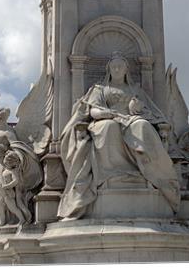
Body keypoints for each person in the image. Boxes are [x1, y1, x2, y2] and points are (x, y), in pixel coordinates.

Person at [57, 53, 180, 219]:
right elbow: (92, 110)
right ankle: (111, 174)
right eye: (113, 67)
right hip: (106, 119)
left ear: (126, 70)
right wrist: (104, 113)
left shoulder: (135, 89)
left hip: (130, 119)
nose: (116, 69)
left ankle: (151, 172)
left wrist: (136, 108)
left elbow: (148, 110)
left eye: (120, 67)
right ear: (108, 69)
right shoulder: (99, 89)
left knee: (143, 126)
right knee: (108, 128)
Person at [0, 151, 32, 227]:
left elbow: (16, 181)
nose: (5, 164)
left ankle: (22, 219)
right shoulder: (4, 170)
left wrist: (7, 186)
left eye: (7, 163)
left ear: (12, 163)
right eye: (5, 163)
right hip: (1, 194)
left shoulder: (12, 171)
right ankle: (2, 222)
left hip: (7, 193)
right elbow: (0, 179)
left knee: (13, 208)